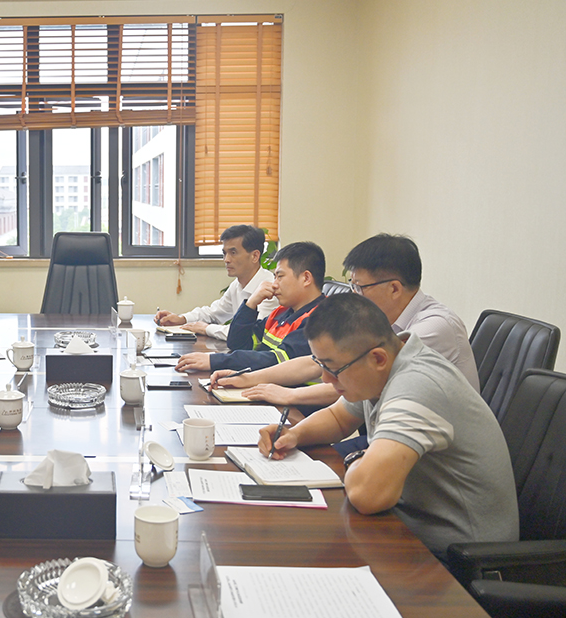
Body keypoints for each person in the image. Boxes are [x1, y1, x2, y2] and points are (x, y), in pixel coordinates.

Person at [259, 294, 517, 559]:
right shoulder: (383, 366)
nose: (325, 378)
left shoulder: (417, 386)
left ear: (378, 359)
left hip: (459, 556)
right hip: (412, 525)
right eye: (320, 365)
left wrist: (355, 460)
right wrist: (293, 435)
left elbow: (368, 495)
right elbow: (338, 418)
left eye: (332, 368)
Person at [212, 234, 479, 406]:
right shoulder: (380, 322)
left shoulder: (434, 327)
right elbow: (315, 363)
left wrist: (289, 395)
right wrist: (249, 379)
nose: (354, 295)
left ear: (394, 288)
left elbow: (359, 380)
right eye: (352, 286)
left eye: (360, 287)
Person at [176, 241, 325, 373]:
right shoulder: (282, 313)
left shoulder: (320, 319)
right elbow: (238, 343)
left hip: (296, 394)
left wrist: (215, 361)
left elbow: (276, 361)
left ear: (306, 278)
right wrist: (251, 303)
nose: (274, 284)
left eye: (280, 276)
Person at [154, 224, 278, 341]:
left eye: (233, 253)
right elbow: (214, 313)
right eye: (225, 253)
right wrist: (181, 318)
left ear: (255, 256)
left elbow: (250, 333)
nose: (226, 260)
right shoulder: (237, 284)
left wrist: (206, 328)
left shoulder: (270, 288)